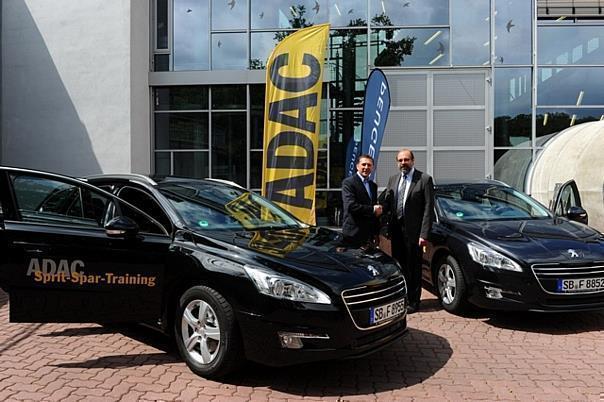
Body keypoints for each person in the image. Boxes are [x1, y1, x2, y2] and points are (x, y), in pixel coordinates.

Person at [383, 149, 434, 313]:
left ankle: (414, 301)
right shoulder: (393, 179)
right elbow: (387, 202)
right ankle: (402, 298)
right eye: (400, 160)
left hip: (414, 232)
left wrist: (424, 234)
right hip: (397, 231)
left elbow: (428, 208)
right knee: (400, 267)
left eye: (406, 160)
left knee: (414, 268)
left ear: (413, 161)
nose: (403, 163)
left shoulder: (424, 179)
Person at [341, 154, 383, 248]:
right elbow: (351, 206)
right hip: (353, 234)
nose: (366, 167)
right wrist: (372, 209)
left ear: (372, 167)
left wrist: (376, 233)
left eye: (369, 165)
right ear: (357, 166)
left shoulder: (373, 186)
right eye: (363, 164)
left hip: (368, 236)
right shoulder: (349, 183)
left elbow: (374, 214)